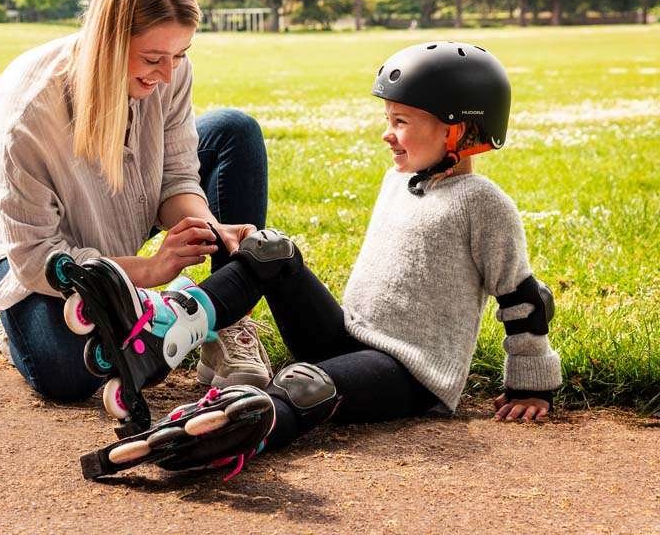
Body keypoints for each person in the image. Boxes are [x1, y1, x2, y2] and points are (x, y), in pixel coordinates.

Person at [59, 40, 564, 481]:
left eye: (402, 122)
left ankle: (241, 430)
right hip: (347, 337)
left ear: (459, 132)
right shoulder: (402, 180)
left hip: (409, 373)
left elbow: (523, 299)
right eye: (388, 120)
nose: (388, 134)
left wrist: (530, 385)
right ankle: (164, 331)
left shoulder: (484, 203)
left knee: (304, 384)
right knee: (269, 250)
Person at [0, 0, 272, 404]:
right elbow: (35, 256)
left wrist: (209, 227)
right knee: (72, 375)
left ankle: (220, 315)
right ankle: (52, 321)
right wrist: (150, 269)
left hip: (121, 194)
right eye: (153, 58)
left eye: (180, 55)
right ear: (108, 41)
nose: (167, 74)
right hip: (30, 243)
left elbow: (177, 175)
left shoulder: (170, 72)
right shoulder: (28, 112)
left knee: (235, 132)